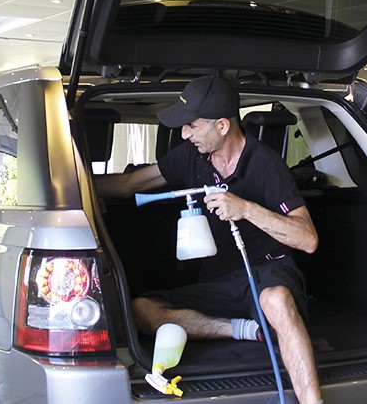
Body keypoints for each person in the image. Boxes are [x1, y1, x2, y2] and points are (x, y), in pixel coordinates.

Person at [95, 76, 322, 404]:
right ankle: (249, 330)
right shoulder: (192, 156)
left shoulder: (265, 164)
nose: (184, 134)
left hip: (267, 273)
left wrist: (246, 209)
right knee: (141, 310)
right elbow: (129, 184)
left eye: (192, 125)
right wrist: (67, 184)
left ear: (222, 126)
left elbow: (308, 239)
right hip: (219, 280)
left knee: (276, 301)